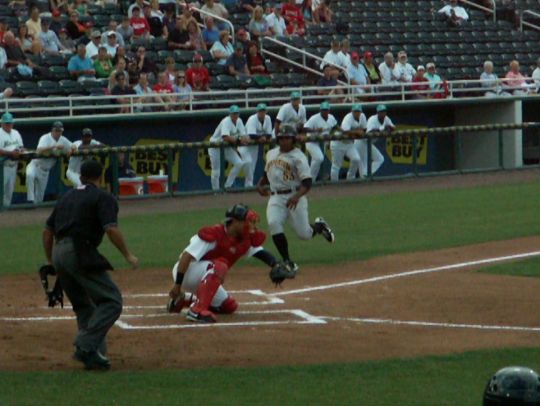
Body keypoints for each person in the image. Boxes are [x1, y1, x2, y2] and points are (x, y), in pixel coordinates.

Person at [42, 159, 138, 370]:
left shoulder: (66, 197)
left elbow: (47, 231)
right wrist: (128, 255)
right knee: (112, 300)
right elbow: (111, 229)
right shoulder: (103, 197)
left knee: (84, 306)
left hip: (59, 252)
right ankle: (85, 345)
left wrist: (52, 261)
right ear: (100, 176)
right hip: (78, 250)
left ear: (81, 175)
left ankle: (94, 356)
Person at [166, 203, 282, 323]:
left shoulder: (243, 238)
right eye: (247, 222)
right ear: (235, 222)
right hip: (187, 272)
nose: (251, 225)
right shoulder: (214, 233)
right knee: (220, 265)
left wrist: (275, 264)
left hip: (207, 274)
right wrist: (177, 286)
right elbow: (186, 256)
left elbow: (260, 252)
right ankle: (197, 310)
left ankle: (185, 300)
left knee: (229, 306)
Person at [256, 124, 334, 272]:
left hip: (294, 194)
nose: (284, 140)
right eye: (281, 138)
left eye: (287, 138)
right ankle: (287, 260)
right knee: (273, 223)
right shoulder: (271, 153)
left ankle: (319, 226)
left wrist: (297, 197)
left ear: (293, 139)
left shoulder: (299, 156)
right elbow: (266, 174)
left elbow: (307, 182)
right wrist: (260, 185)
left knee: (304, 234)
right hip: (275, 197)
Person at [26, 121, 75, 204]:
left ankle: (34, 213)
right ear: (52, 130)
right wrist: (54, 146)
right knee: (29, 175)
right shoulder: (45, 137)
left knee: (39, 198)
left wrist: (71, 149)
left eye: (59, 131)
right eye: (56, 130)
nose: (58, 132)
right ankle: (30, 199)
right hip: (35, 165)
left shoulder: (63, 140)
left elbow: (74, 145)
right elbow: (39, 150)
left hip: (45, 171)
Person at [208, 105, 250, 191]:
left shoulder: (239, 121)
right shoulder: (226, 121)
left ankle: (227, 186)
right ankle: (215, 191)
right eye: (233, 114)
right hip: (215, 145)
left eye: (237, 113)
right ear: (230, 114)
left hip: (226, 146)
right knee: (216, 171)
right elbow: (225, 137)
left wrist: (242, 139)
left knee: (239, 163)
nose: (235, 115)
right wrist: (238, 140)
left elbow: (244, 137)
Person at [302, 101, 337, 180]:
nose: (324, 111)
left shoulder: (331, 117)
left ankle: (311, 179)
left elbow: (335, 126)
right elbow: (305, 128)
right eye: (323, 110)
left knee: (318, 159)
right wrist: (315, 130)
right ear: (320, 110)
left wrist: (342, 131)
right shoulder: (314, 118)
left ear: (329, 110)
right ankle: (310, 179)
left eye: (326, 110)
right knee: (319, 158)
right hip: (311, 141)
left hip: (322, 142)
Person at [330, 104, 363, 181]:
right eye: (355, 111)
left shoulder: (362, 117)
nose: (357, 113)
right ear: (352, 111)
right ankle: (334, 184)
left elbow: (363, 129)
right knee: (336, 165)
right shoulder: (348, 118)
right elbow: (345, 131)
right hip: (338, 143)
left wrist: (361, 132)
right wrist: (357, 132)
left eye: (358, 111)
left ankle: (350, 178)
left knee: (356, 159)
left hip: (349, 144)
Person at [242, 103, 272, 187]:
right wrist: (261, 137)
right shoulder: (252, 119)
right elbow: (251, 134)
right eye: (260, 111)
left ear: (266, 111)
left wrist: (264, 137)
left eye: (263, 111)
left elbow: (269, 134)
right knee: (247, 163)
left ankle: (248, 185)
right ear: (257, 112)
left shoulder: (268, 118)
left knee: (252, 165)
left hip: (254, 145)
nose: (262, 113)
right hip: (244, 145)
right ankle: (229, 186)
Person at [0, 112, 24, 207]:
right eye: (6, 123)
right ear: (1, 123)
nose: (8, 125)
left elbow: (21, 147)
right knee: (1, 190)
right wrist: (10, 153)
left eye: (10, 123)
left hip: (13, 166)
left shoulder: (16, 133)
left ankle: (5, 216)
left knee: (9, 191)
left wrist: (20, 151)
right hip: (2, 167)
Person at [363, 104, 392, 177]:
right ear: (377, 113)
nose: (383, 113)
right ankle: (354, 181)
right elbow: (369, 133)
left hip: (368, 144)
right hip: (361, 142)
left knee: (379, 159)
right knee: (359, 162)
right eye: (381, 112)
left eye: (384, 111)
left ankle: (366, 175)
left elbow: (392, 127)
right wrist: (381, 130)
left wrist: (387, 129)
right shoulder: (372, 119)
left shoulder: (386, 118)